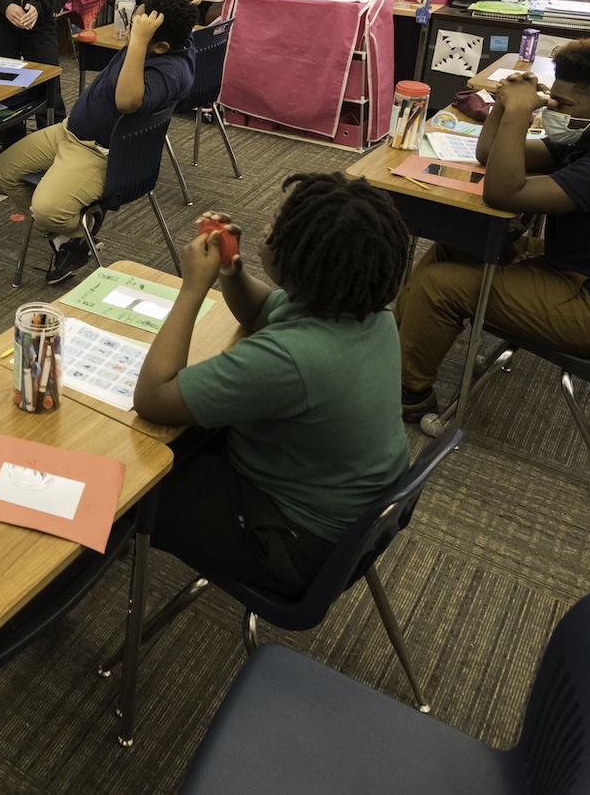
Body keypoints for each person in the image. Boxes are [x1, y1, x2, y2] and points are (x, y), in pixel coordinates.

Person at [130, 180, 413, 595]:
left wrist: (193, 287)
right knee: (192, 436)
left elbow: (152, 398)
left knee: (131, 481)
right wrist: (232, 269)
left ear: (302, 264)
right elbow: (261, 309)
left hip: (296, 541)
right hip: (351, 512)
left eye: (278, 225)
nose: (265, 226)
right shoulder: (362, 309)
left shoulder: (290, 359)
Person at [397, 38, 590, 420]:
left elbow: (503, 191)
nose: (551, 108)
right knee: (459, 243)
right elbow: (489, 155)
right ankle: (394, 351)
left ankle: (409, 396)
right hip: (582, 270)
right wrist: (504, 105)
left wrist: (519, 114)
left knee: (439, 287)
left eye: (562, 104)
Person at [0, 0, 199, 283]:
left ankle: (82, 227)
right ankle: (70, 239)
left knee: (46, 210)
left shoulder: (170, 72)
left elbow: (127, 102)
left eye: (138, 28)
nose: (131, 29)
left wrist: (137, 42)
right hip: (71, 131)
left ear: (161, 46)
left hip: (97, 152)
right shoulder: (177, 37)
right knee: (6, 170)